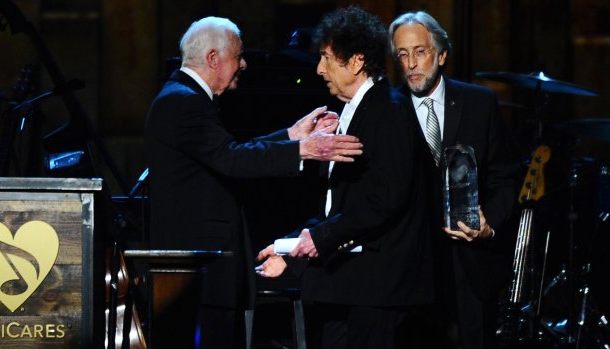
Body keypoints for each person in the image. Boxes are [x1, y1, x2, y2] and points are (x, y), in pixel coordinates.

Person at [144, 16, 363, 349]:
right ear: (214, 59)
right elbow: (231, 159)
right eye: (238, 56)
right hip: (197, 270)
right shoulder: (183, 101)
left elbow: (226, 152)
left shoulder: (185, 98)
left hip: (204, 268)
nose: (243, 64)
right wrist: (303, 149)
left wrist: (291, 135)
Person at [256, 6, 434, 349]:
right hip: (347, 283)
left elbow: (385, 199)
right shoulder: (352, 114)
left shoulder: (390, 110)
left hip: (379, 288)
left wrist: (316, 240)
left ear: (356, 61)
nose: (319, 69)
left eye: (326, 58)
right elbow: (336, 208)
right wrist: (289, 249)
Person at [388, 10, 521, 349]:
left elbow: (507, 177)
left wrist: (489, 224)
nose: (411, 63)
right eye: (403, 54)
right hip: (410, 268)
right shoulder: (388, 110)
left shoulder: (480, 102)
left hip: (470, 264)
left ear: (442, 54)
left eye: (420, 51)